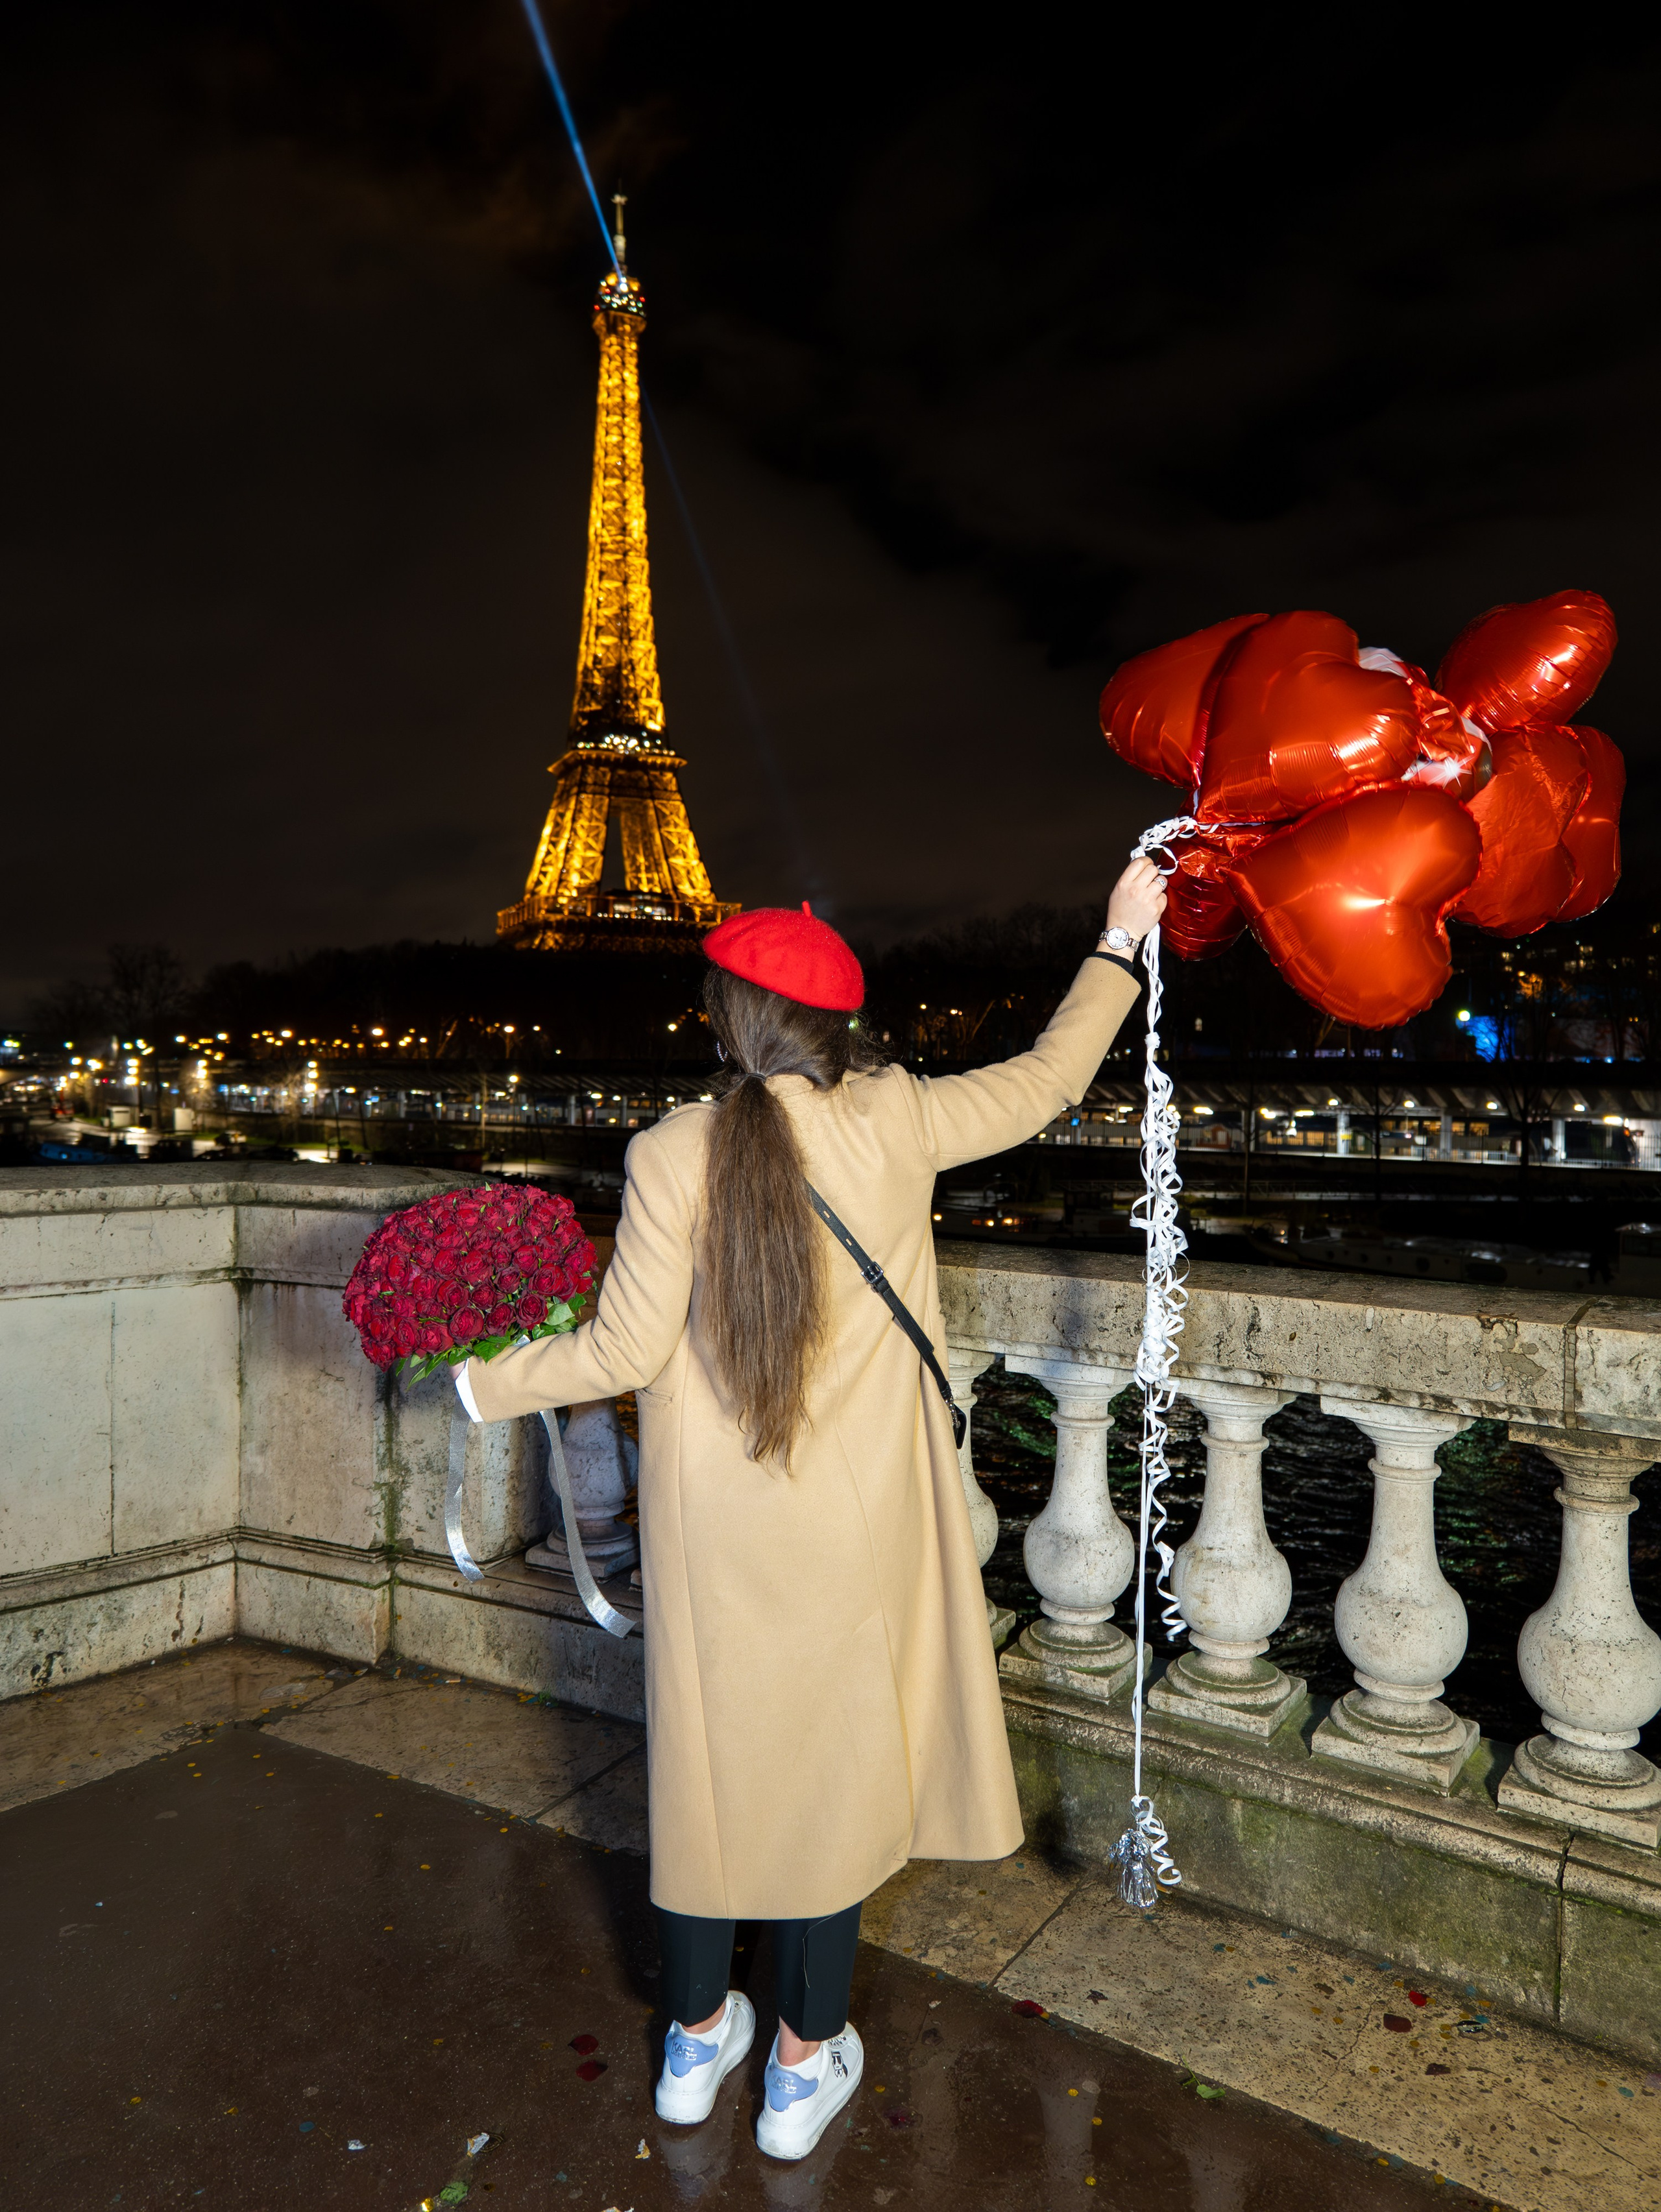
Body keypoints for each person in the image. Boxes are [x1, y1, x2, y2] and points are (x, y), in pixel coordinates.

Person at [454, 856, 1165, 2161]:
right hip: (852, 1520)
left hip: (714, 1525)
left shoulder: (670, 1149)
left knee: (715, 1775)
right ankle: (796, 2065)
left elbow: (617, 1355)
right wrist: (1118, 942)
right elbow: (1054, 1077)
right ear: (836, 1026)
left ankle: (688, 2046)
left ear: (725, 1019)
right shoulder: (894, 1115)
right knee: (828, 1778)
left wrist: (479, 1376)